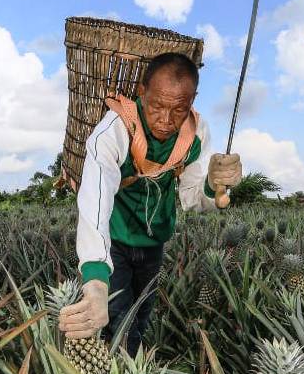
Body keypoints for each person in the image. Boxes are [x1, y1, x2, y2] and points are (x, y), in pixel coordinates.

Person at [58, 52, 242, 355]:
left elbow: (192, 198)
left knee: (142, 315)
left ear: (192, 101)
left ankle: (131, 369)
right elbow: (94, 202)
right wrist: (96, 281)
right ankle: (115, 373)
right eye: (157, 106)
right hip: (114, 239)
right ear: (142, 92)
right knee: (117, 319)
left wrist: (213, 185)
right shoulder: (113, 130)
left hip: (154, 241)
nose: (166, 121)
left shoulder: (196, 132)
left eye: (179, 109)